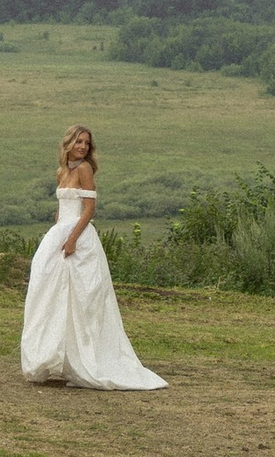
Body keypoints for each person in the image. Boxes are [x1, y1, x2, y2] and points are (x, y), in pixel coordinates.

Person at [19, 124, 167, 392]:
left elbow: (89, 209)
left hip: (78, 236)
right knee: (49, 293)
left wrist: (73, 238)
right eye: (79, 142)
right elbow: (62, 206)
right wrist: (56, 233)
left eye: (87, 143)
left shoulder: (85, 169)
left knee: (82, 298)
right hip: (60, 233)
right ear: (68, 144)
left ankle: (84, 359)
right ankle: (54, 356)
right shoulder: (63, 171)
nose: (83, 147)